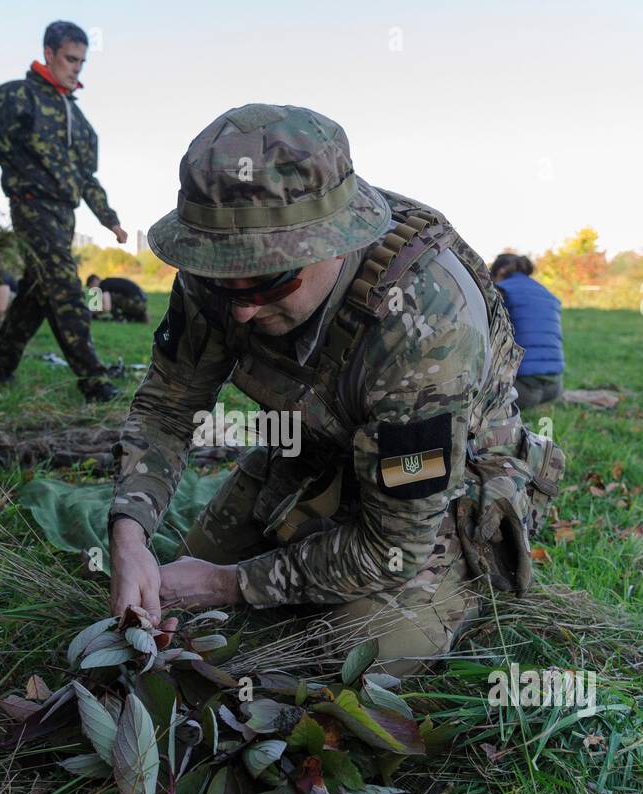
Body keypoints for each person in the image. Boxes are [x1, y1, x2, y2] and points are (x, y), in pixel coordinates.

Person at [106, 105, 563, 677]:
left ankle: (459, 592)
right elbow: (167, 408)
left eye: (270, 281)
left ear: (338, 244)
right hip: (317, 449)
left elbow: (389, 546)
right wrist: (129, 533)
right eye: (220, 281)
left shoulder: (425, 322)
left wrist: (230, 584)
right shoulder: (218, 272)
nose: (242, 308)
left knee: (365, 655)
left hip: (441, 485)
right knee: (178, 598)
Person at [0, 20, 127, 402]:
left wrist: (112, 221)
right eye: (70, 59)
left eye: (82, 62)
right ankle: (94, 381)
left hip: (63, 216)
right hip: (30, 207)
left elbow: (86, 178)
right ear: (49, 53)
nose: (76, 68)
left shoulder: (82, 124)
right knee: (65, 286)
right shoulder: (16, 97)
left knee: (36, 294)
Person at [490, 253, 564, 409]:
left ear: (500, 271)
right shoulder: (547, 294)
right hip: (554, 387)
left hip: (520, 390)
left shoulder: (501, 290)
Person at [86, 274, 150, 323]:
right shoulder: (110, 282)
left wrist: (93, 312)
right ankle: (138, 316)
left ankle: (120, 319)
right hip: (140, 302)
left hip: (135, 302)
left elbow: (107, 307)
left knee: (110, 298)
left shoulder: (103, 284)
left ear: (94, 282)